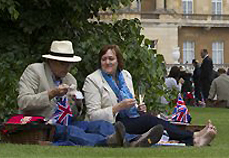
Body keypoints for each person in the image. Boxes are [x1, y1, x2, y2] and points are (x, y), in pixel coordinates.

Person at [18, 40, 155, 147]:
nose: (67, 68)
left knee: (101, 125)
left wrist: (77, 104)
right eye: (63, 63)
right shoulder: (35, 71)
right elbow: (23, 102)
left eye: (69, 64)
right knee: (73, 132)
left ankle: (133, 140)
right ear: (51, 61)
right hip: (42, 124)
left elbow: (74, 115)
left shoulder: (69, 79)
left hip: (66, 122)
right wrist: (51, 93)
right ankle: (110, 142)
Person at [83, 44, 217, 147]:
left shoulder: (125, 76)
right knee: (149, 121)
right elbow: (93, 115)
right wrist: (117, 107)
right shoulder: (93, 80)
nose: (107, 62)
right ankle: (193, 137)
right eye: (104, 59)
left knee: (155, 120)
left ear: (118, 60)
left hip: (129, 117)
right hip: (110, 124)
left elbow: (130, 104)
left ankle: (192, 137)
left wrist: (138, 107)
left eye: (111, 59)